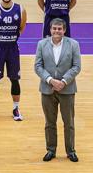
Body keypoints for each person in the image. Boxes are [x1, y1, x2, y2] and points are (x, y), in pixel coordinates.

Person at [34, 18, 81, 162]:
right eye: (54, 28)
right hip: (47, 90)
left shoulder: (73, 44)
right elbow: (38, 66)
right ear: (50, 30)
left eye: (59, 29)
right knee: (49, 122)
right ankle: (51, 150)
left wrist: (63, 81)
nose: (57, 31)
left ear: (64, 30)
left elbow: (76, 67)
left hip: (67, 89)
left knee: (69, 123)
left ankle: (70, 151)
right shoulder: (42, 44)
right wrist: (50, 80)